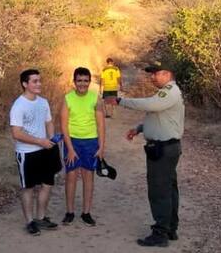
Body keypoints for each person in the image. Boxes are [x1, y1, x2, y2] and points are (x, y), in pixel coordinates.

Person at [108, 63, 185, 247]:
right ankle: (170, 228)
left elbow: (150, 104)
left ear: (167, 74)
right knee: (168, 189)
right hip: (167, 147)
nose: (152, 77)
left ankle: (160, 233)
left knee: (159, 191)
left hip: (163, 149)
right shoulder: (166, 93)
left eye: (155, 74)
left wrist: (120, 101)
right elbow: (161, 118)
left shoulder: (169, 92)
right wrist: (139, 129)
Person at [10, 69, 61, 235]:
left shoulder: (43, 102)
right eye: (35, 81)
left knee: (47, 185)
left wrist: (51, 139)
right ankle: (30, 222)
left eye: (39, 80)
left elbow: (49, 122)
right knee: (29, 188)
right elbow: (16, 133)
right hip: (27, 153)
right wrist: (40, 141)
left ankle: (41, 218)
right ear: (25, 84)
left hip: (46, 150)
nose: (39, 84)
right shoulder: (18, 106)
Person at [60, 67, 106, 226]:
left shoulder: (95, 99)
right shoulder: (67, 98)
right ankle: (70, 212)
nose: (82, 84)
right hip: (72, 141)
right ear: (74, 81)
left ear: (89, 82)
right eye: (79, 80)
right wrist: (70, 149)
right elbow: (64, 126)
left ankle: (86, 213)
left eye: (86, 81)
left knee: (88, 177)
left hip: (90, 142)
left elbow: (101, 125)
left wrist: (101, 147)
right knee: (71, 177)